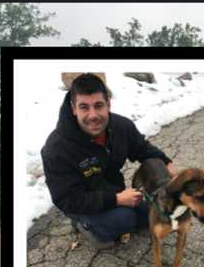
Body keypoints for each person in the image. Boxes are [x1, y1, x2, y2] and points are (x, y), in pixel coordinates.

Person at [41, 73, 177, 248]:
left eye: (99, 105)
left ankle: (117, 214)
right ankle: (83, 225)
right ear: (74, 108)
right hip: (80, 202)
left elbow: (142, 149)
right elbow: (66, 199)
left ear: (108, 104)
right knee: (125, 219)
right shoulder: (57, 148)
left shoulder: (122, 126)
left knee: (156, 212)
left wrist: (166, 162)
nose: (93, 115)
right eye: (84, 107)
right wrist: (117, 200)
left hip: (112, 189)